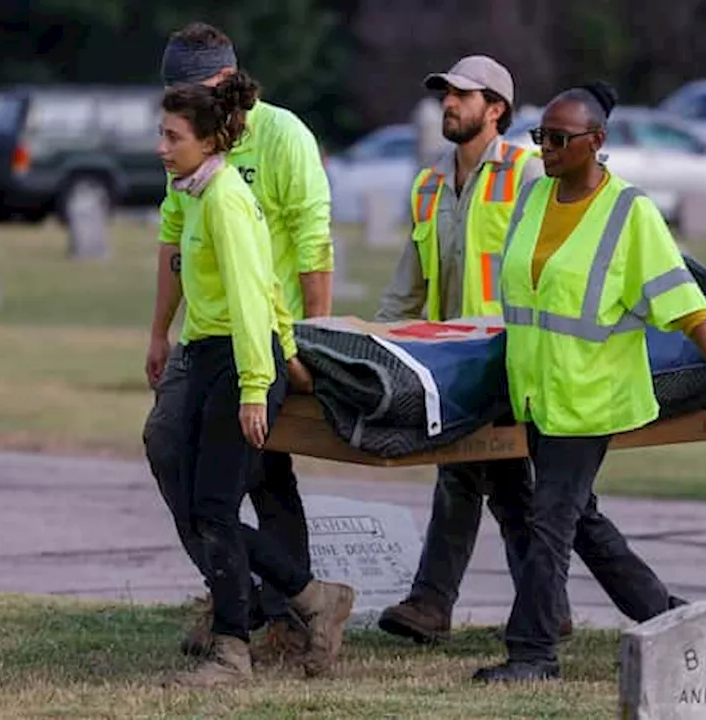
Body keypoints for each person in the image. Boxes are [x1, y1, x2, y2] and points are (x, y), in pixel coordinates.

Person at [472, 81, 706, 683]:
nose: (544, 148)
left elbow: (683, 303)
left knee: (550, 521)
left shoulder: (631, 213)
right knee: (581, 519)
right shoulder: (531, 199)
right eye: (539, 136)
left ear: (596, 142)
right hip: (538, 391)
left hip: (591, 396)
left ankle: (533, 654)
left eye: (557, 138)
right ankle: (664, 616)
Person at [154, 73, 355, 686]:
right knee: (203, 508)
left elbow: (250, 300)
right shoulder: (195, 193)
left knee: (214, 509)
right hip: (214, 352)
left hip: (238, 363)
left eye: (172, 137)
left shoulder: (224, 200)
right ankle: (315, 597)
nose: (161, 148)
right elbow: (265, 287)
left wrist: (255, 384)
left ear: (210, 139)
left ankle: (232, 653)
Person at [373, 55, 558, 645]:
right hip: (452, 362)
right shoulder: (429, 182)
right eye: (445, 94)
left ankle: (434, 603)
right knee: (502, 485)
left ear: (496, 109)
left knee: (471, 476)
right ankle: (540, 606)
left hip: (509, 356)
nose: (447, 104)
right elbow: (410, 279)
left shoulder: (530, 175)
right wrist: (377, 343)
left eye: (462, 95)